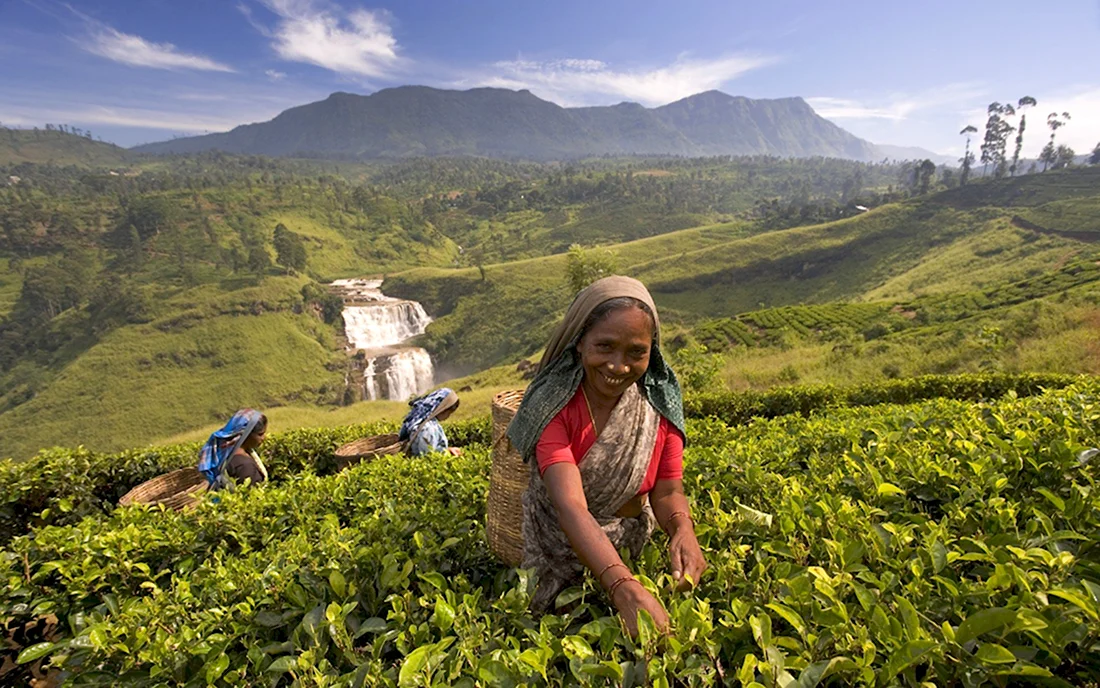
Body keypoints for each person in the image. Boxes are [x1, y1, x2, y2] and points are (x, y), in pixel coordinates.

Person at [508, 276, 706, 636]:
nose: (618, 366)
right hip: (561, 549)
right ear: (580, 342)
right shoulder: (553, 409)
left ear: (652, 351)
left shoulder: (657, 408)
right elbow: (571, 506)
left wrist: (682, 529)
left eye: (636, 352)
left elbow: (666, 492)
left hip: (632, 548)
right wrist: (622, 587)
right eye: (605, 346)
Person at [197, 409, 269, 490]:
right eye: (260, 434)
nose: (264, 438)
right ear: (246, 434)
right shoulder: (245, 465)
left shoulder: (225, 451)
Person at [399, 388, 462, 456]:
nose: (448, 416)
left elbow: (434, 448)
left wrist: (448, 450)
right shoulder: (427, 428)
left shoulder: (420, 420)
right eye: (449, 413)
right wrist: (447, 453)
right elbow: (427, 455)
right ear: (442, 408)